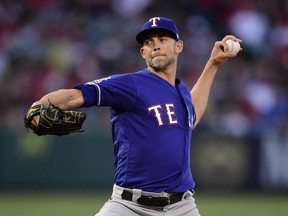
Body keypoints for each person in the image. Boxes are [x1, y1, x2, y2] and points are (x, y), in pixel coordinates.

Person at [28, 17, 242, 216]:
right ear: (143, 53)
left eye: (162, 39)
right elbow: (77, 96)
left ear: (179, 46)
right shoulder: (130, 84)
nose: (155, 45)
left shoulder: (181, 90)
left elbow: (191, 117)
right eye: (148, 42)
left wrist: (213, 64)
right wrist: (40, 105)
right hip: (128, 206)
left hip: (182, 206)